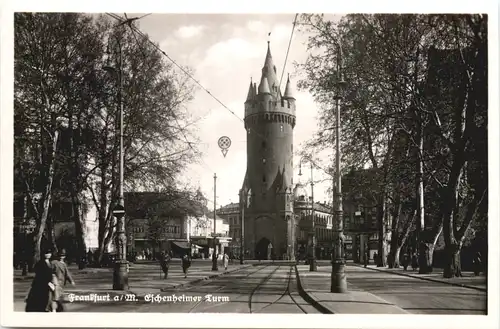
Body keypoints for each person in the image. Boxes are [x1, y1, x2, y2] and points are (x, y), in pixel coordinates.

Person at [25, 247, 57, 312]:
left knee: (47, 297)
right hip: (40, 284)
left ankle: (45, 308)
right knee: (40, 296)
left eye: (49, 253)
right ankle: (41, 308)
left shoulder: (49, 263)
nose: (48, 255)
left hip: (47, 283)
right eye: (46, 253)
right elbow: (40, 274)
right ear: (43, 254)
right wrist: (47, 282)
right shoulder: (40, 263)